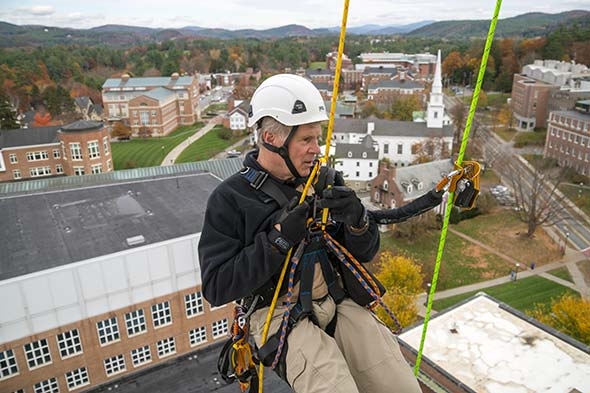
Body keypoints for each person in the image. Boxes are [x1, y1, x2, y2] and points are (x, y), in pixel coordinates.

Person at [198, 74, 422, 393]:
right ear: (273, 138)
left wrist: (358, 221)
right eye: (307, 140)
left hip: (336, 298)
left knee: (400, 387)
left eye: (317, 139)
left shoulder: (324, 180)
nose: (317, 150)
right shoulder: (231, 200)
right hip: (276, 312)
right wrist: (277, 239)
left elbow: (365, 253)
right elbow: (217, 286)